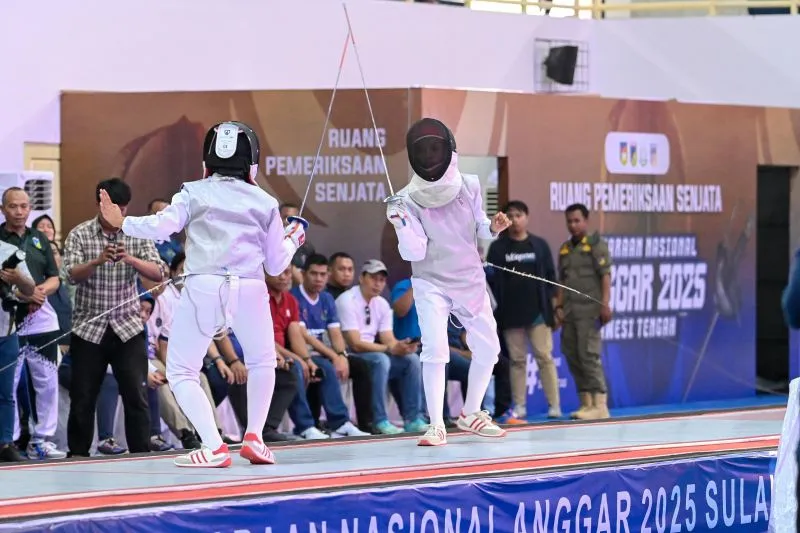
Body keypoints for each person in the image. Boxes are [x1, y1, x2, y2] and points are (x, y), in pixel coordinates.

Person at [98, 121, 306, 468]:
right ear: (252, 161)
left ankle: (213, 445)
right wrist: (293, 239)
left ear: (208, 159)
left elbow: (163, 225)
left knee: (181, 371)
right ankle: (255, 438)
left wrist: (122, 222)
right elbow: (275, 264)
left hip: (204, 285)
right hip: (250, 287)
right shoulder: (266, 201)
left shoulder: (192, 192)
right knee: (262, 362)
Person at [385, 117, 511, 446]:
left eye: (434, 148)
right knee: (436, 349)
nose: (429, 155)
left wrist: (494, 228)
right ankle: (437, 425)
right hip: (430, 282)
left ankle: (470, 412)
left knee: (490, 348)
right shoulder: (405, 199)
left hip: (469, 278)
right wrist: (401, 225)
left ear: (448, 151)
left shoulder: (469, 185)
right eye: (423, 150)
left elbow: (480, 226)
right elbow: (414, 251)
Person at [63, 178, 167, 458]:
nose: (117, 214)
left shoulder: (136, 233)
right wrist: (97, 261)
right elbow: (71, 275)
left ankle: (141, 455)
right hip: (89, 328)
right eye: (112, 207)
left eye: (122, 208)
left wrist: (131, 259)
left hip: (128, 327)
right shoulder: (80, 234)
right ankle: (77, 455)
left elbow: (159, 272)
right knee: (82, 396)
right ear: (100, 204)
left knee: (136, 394)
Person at [0, 189, 66, 460]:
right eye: (13, 206)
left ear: (30, 209)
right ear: (3, 209)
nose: (19, 211)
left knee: (47, 380)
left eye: (24, 206)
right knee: (10, 382)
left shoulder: (39, 238)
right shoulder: (0, 240)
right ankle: (10, 440)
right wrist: (24, 294)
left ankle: (42, 439)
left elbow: (55, 278)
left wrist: (38, 292)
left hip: (42, 317)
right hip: (9, 317)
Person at [486, 200, 562, 420]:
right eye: (510, 216)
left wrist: (555, 309)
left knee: (544, 357)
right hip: (510, 314)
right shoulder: (498, 248)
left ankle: (554, 405)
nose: (515, 220)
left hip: (538, 313)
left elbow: (551, 279)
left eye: (519, 215)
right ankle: (519, 406)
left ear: (527, 218)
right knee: (517, 361)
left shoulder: (539, 245)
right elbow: (491, 281)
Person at [555, 203, 613, 420]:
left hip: (590, 312)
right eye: (569, 221)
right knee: (572, 354)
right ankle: (586, 403)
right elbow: (562, 281)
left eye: (577, 220)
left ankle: (600, 404)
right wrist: (559, 307)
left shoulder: (596, 245)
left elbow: (605, 276)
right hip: (570, 312)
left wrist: (605, 304)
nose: (573, 225)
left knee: (588, 355)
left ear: (586, 221)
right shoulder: (565, 249)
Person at [0, 241, 36, 461]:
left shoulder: (9, 250)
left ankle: (5, 443)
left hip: (6, 332)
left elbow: (30, 289)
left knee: (6, 392)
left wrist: (17, 278)